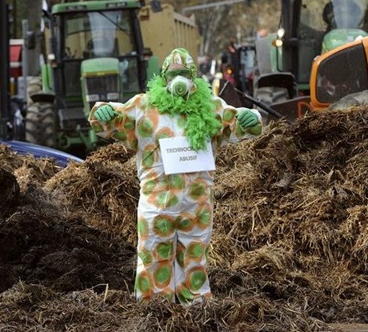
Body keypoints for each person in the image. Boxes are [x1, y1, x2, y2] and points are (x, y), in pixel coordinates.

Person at [88, 47, 263, 305]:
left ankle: (197, 309)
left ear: (193, 76)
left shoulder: (210, 107)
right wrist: (102, 112)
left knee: (194, 256)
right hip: (156, 202)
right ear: (163, 77)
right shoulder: (144, 107)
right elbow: (115, 119)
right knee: (152, 255)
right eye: (173, 74)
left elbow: (235, 121)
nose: (178, 79)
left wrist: (250, 118)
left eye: (183, 73)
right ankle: (154, 309)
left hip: (197, 203)